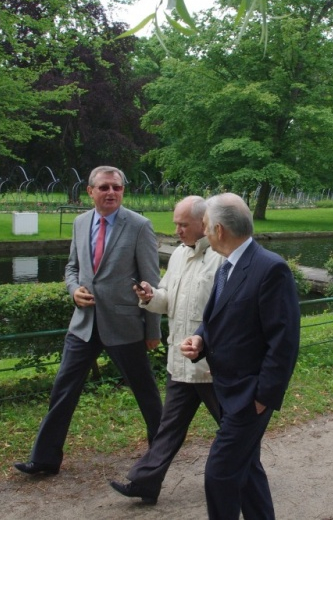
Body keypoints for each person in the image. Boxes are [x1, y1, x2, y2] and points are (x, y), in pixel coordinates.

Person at [14, 166, 163, 475]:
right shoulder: (81, 223)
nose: (111, 193)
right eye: (105, 187)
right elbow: (72, 267)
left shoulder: (139, 226)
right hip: (83, 325)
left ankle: (162, 451)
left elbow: (151, 282)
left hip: (124, 325)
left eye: (117, 188)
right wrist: (74, 291)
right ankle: (44, 460)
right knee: (63, 390)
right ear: (90, 191)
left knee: (145, 392)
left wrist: (153, 330)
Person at [179, 193, 301, 519]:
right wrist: (200, 340)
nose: (202, 233)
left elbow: (285, 341)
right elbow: (219, 317)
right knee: (246, 470)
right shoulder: (227, 266)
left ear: (219, 230)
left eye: (205, 227)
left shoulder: (270, 268)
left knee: (218, 475)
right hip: (228, 389)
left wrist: (263, 396)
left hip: (249, 395)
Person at [109, 196, 225, 504]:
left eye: (183, 224)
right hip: (180, 362)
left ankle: (247, 475)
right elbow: (168, 301)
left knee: (234, 428)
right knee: (167, 429)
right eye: (175, 223)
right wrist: (149, 296)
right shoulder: (177, 257)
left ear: (204, 224)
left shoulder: (221, 259)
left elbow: (228, 314)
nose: (177, 230)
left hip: (212, 367)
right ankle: (145, 483)